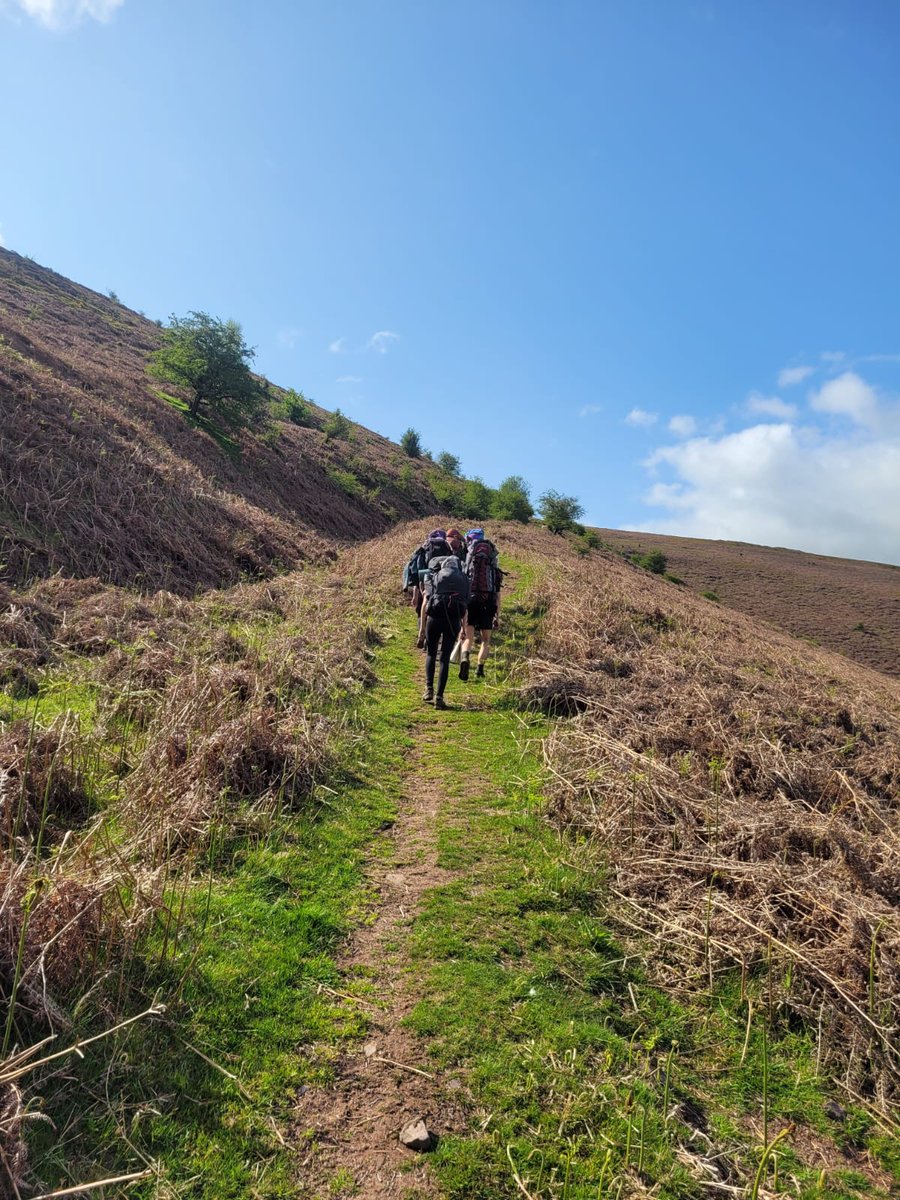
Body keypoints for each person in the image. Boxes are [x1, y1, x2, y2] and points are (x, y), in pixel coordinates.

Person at [416, 552, 469, 709]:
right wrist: (464, 629)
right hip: (453, 621)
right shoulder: (463, 580)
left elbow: (426, 603)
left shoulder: (435, 576)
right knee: (444, 658)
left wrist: (421, 630)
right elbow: (465, 608)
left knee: (432, 653)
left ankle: (428, 690)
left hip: (434, 618)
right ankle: (439, 698)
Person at [459, 528, 502, 681]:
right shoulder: (492, 555)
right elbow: (497, 591)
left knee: (468, 637)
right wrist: (498, 615)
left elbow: (464, 576)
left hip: (471, 598)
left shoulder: (469, 553)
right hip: (488, 599)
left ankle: (464, 657)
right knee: (485, 640)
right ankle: (479, 669)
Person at [403, 529, 452, 617]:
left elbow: (417, 571)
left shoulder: (425, 547)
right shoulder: (447, 547)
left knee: (423, 607)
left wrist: (415, 596)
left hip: (425, 584)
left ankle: (422, 628)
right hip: (444, 587)